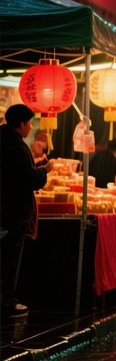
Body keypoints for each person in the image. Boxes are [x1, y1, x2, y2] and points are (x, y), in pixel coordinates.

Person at [1, 104, 53, 320]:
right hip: (12, 211)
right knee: (10, 258)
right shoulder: (16, 146)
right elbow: (27, 179)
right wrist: (44, 170)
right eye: (30, 123)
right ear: (21, 124)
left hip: (4, 208)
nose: (31, 127)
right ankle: (7, 302)